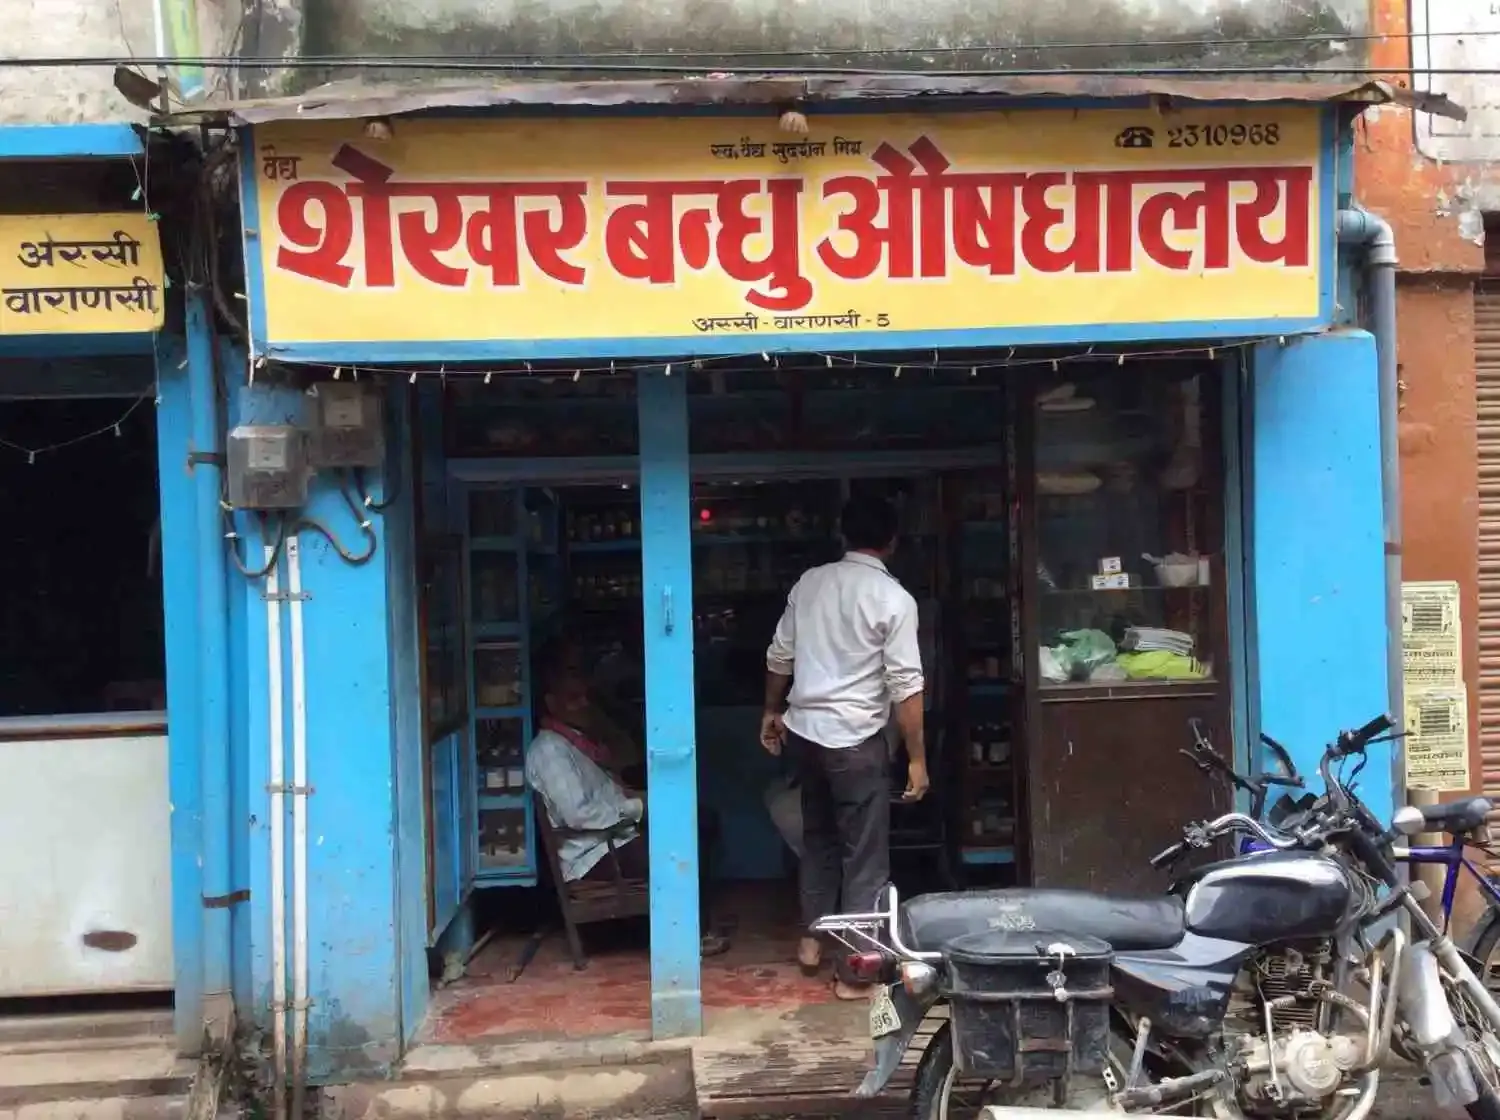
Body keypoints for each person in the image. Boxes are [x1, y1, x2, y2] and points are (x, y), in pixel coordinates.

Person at [759, 495, 928, 999]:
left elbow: (779, 656)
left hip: (807, 736)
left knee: (820, 840)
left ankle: (813, 939)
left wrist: (771, 710)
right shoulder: (894, 599)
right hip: (857, 741)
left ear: (841, 534)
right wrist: (917, 759)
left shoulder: (810, 583)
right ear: (892, 542)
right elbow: (907, 687)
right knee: (865, 857)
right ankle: (854, 973)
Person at [526, 668, 730, 956]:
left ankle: (697, 919)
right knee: (681, 842)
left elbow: (608, 784)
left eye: (586, 696)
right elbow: (578, 814)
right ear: (551, 703)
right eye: (574, 698)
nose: (585, 704)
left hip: (612, 835)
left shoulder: (574, 741)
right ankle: (688, 934)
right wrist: (638, 808)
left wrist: (640, 801)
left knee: (698, 818)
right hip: (594, 852)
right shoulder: (550, 751)